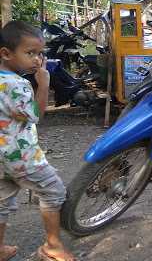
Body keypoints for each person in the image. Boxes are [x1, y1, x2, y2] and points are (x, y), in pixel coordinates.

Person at [0, 21, 75, 261]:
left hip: (1, 157)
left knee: (2, 201)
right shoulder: (17, 84)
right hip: (21, 157)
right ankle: (52, 246)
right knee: (54, 191)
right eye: (30, 53)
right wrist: (44, 84)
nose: (36, 59)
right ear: (6, 54)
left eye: (40, 54)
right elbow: (36, 115)